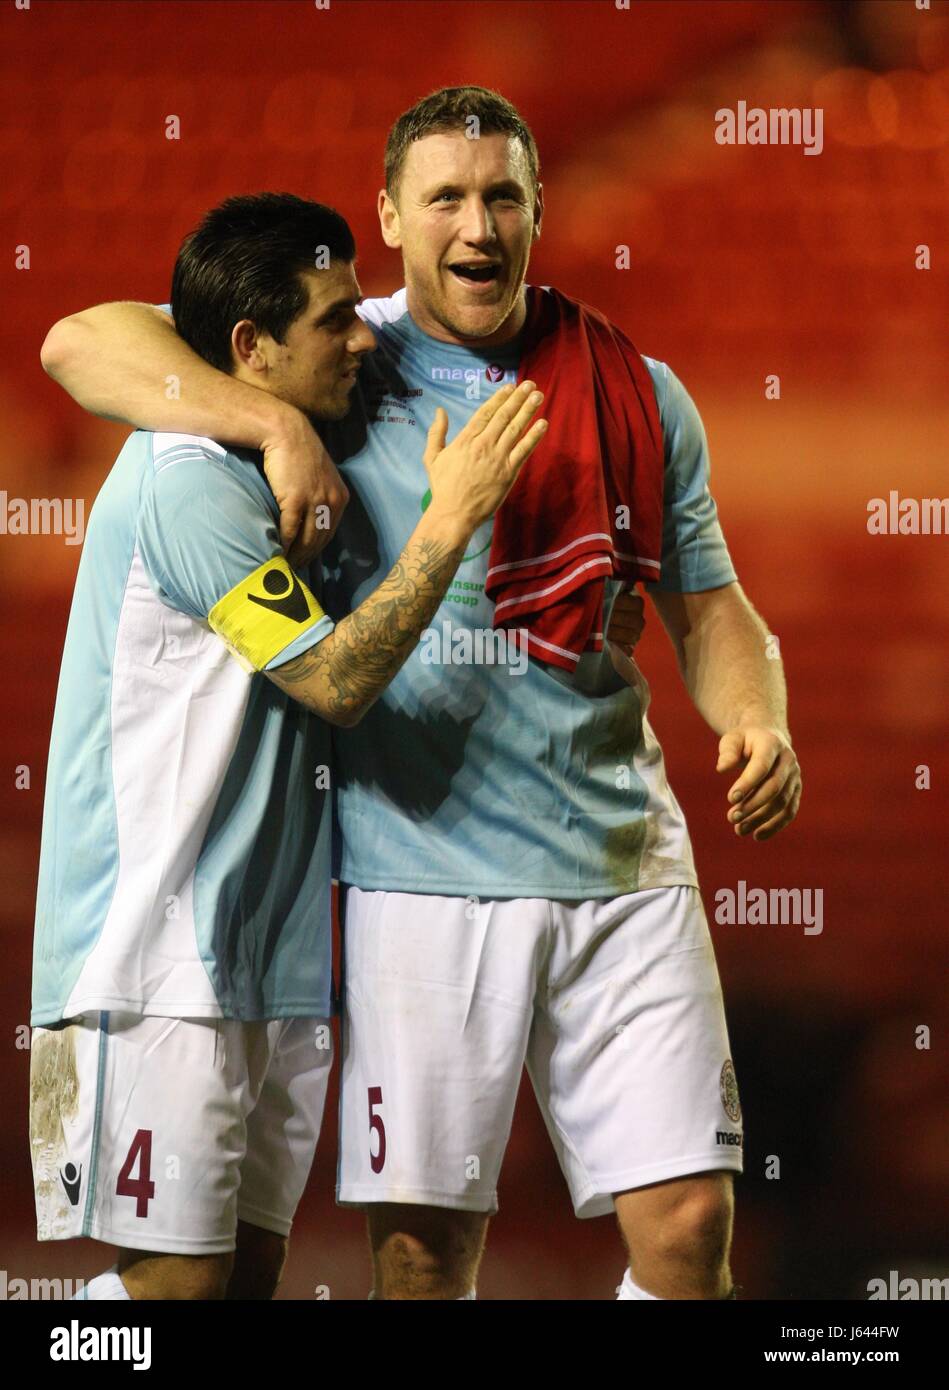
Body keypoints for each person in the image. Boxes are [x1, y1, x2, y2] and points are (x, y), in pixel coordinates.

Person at [41, 86, 803, 1302]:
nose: (478, 225)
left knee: (688, 1229)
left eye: (502, 195)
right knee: (412, 1259)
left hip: (622, 859)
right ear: (388, 215)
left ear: (539, 207)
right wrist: (273, 431)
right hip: (418, 873)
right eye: (445, 196)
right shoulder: (337, 363)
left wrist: (755, 714)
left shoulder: (638, 393)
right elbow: (80, 339)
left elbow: (710, 608)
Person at [31, 190, 545, 1300]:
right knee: (175, 1291)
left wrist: (285, 425)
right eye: (332, 319)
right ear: (249, 349)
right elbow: (339, 681)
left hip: (263, 955)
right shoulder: (188, 483)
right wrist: (445, 523)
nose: (363, 335)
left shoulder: (263, 429)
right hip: (150, 955)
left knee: (244, 1277)